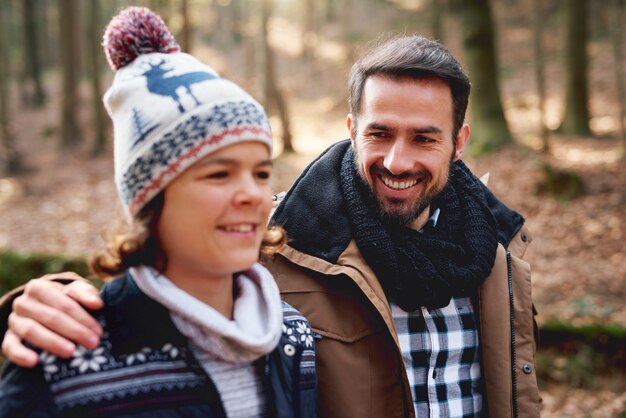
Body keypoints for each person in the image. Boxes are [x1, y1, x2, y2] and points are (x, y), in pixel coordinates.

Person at [0, 34, 540, 418]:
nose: (398, 162)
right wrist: (40, 300)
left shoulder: (496, 249)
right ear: (351, 129)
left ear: (460, 141)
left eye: (424, 138)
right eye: (379, 134)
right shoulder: (281, 241)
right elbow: (165, 286)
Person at [0, 7, 316, 417]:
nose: (252, 195)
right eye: (219, 174)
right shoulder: (64, 362)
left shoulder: (293, 336)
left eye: (260, 173)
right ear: (151, 199)